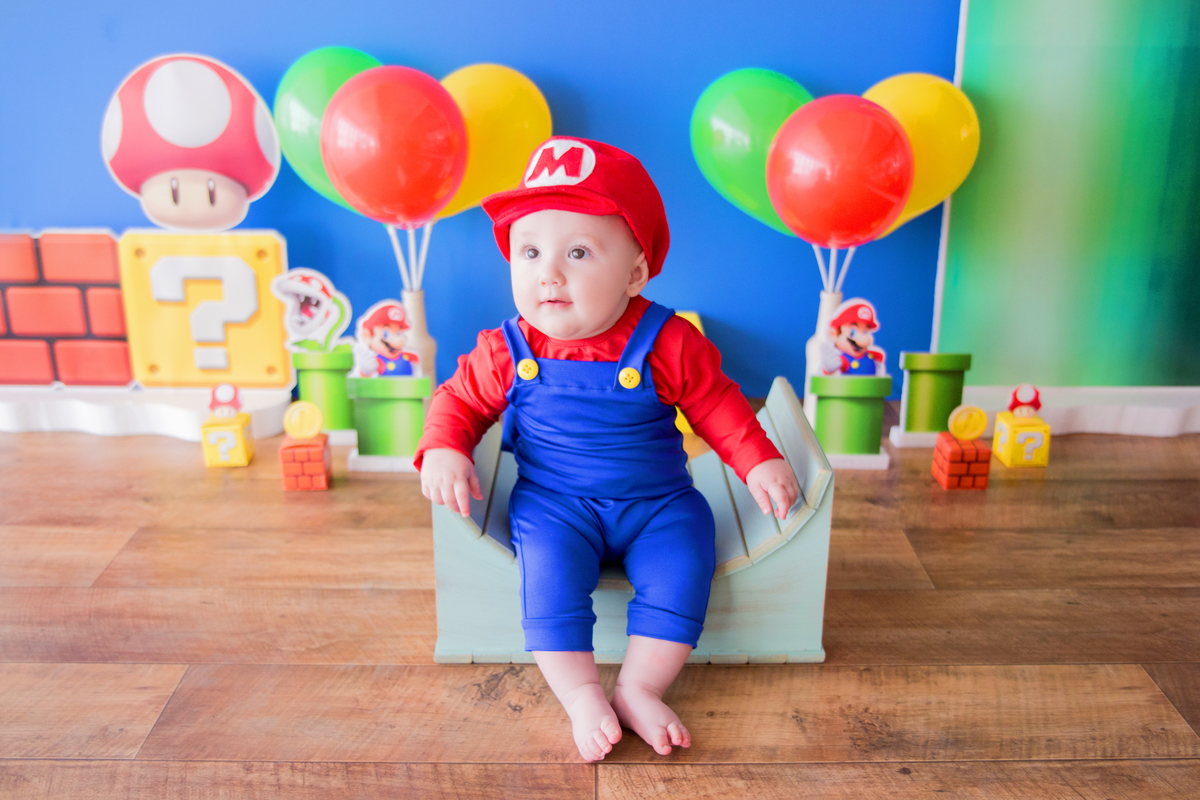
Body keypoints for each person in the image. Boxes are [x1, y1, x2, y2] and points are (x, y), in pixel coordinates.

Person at [416, 138, 798, 762]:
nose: (549, 272)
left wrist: (757, 458)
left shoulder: (667, 340)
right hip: (555, 503)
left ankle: (641, 685)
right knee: (549, 576)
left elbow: (718, 406)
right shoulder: (504, 350)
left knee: (685, 558)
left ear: (636, 271)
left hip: (657, 503)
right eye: (530, 251)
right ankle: (579, 693)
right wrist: (445, 448)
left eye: (578, 252)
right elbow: (456, 402)